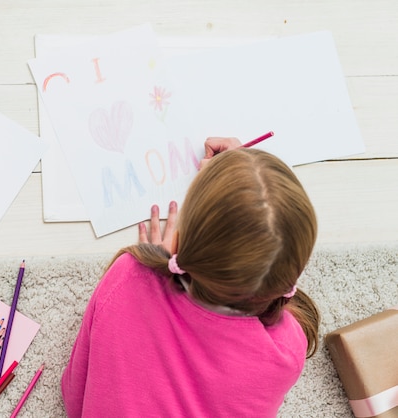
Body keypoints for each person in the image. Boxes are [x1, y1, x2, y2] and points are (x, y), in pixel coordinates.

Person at [61, 137, 320, 417]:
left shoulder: (129, 276)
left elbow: (74, 397)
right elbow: (266, 263)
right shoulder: (286, 351)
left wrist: (155, 264)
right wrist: (239, 197)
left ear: (179, 242)